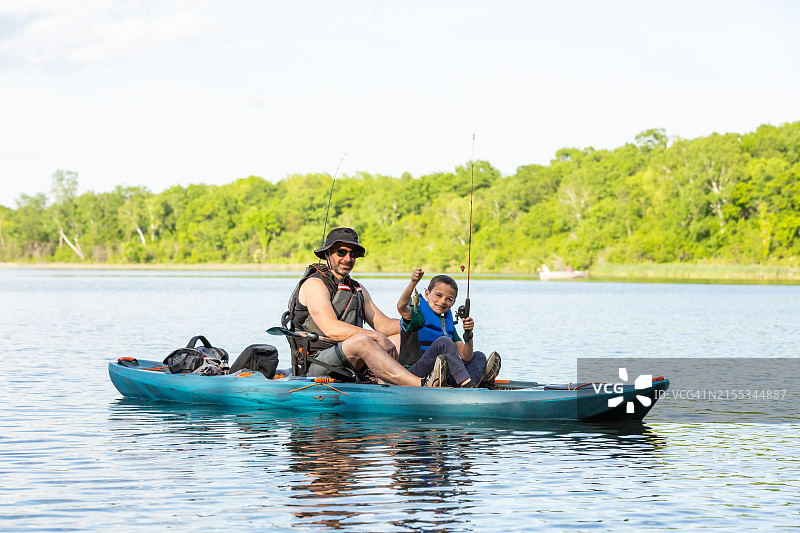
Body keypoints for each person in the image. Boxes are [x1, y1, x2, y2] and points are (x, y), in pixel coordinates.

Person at [286, 227, 443, 386]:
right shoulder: (315, 284)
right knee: (363, 340)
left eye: (352, 254)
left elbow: (383, 325)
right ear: (327, 254)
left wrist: (411, 323)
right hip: (317, 364)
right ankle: (421, 384)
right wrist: (376, 336)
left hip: (349, 360)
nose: (348, 258)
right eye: (341, 252)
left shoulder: (357, 288)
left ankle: (425, 373)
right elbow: (331, 329)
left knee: (401, 336)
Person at [396, 268, 501, 388]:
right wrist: (413, 282)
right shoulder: (416, 313)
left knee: (479, 356)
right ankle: (470, 383)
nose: (442, 302)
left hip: (443, 371)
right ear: (427, 294)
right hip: (416, 373)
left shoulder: (446, 322)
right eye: (438, 295)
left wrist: (468, 334)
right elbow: (401, 307)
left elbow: (466, 356)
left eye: (449, 299)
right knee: (444, 341)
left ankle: (471, 383)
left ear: (454, 302)